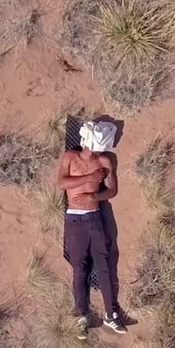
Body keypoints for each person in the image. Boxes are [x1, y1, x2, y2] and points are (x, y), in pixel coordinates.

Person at [57, 120, 127, 336]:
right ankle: (81, 316)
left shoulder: (105, 160)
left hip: (95, 217)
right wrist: (89, 178)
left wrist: (95, 195)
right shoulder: (70, 157)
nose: (96, 152)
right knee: (80, 268)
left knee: (103, 264)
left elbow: (112, 191)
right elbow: (62, 183)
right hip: (75, 219)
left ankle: (110, 314)